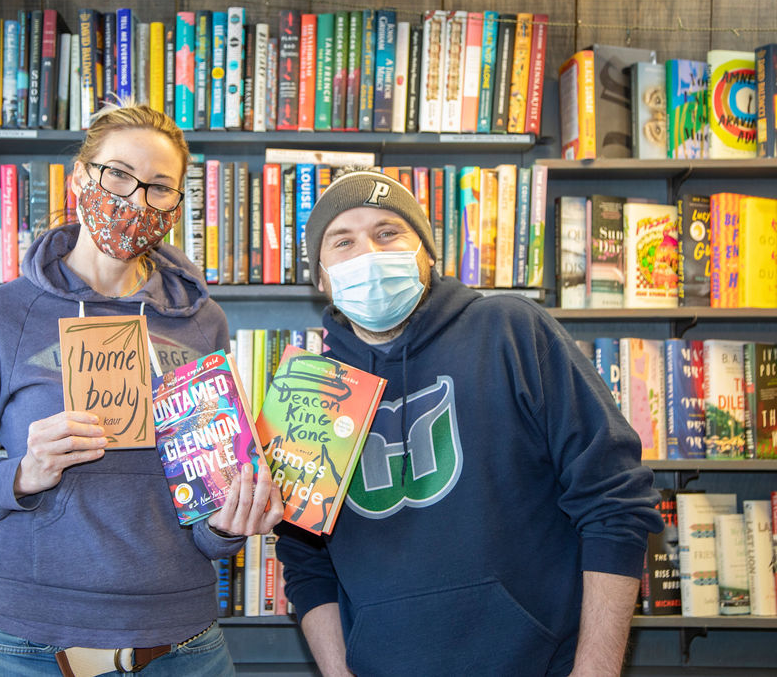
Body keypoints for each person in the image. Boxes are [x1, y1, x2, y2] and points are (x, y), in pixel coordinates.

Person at [0, 103, 283, 676]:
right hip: (30, 648)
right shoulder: (2, 316)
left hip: (183, 644)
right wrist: (22, 475)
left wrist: (227, 523)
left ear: (177, 206)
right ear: (80, 178)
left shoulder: (203, 323)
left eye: (159, 187)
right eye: (118, 175)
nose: (136, 199)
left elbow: (204, 516)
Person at [275, 169, 664, 677]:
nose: (368, 253)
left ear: (427, 253)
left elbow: (616, 501)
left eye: (388, 232)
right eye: (342, 241)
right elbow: (306, 560)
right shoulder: (307, 395)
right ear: (321, 278)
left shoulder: (512, 330)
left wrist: (596, 670)